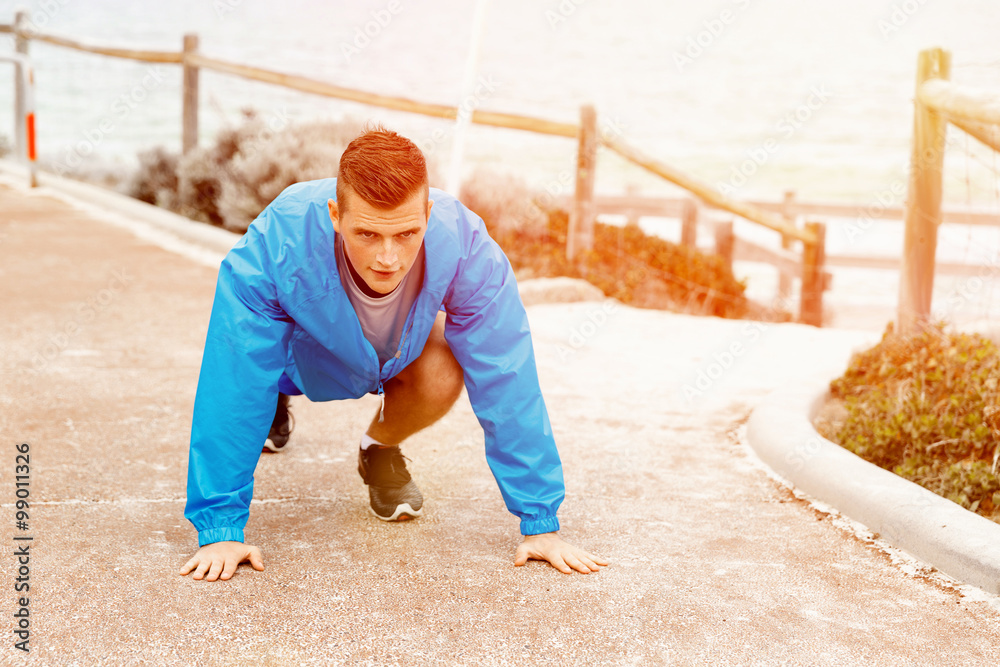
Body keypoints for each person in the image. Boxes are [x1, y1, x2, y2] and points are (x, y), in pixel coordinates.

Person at [179, 126, 608, 582]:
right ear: (335, 215)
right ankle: (276, 404)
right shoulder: (278, 240)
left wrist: (540, 520)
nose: (388, 257)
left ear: (427, 212)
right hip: (300, 357)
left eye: (407, 233)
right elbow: (234, 375)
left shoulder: (463, 241)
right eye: (366, 233)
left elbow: (506, 371)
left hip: (395, 355)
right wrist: (220, 528)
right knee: (255, 383)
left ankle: (379, 449)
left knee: (447, 361)